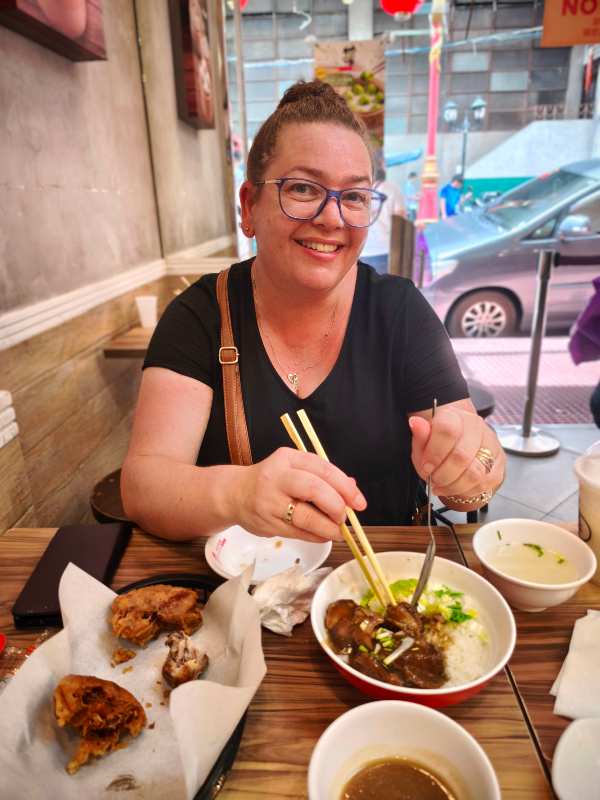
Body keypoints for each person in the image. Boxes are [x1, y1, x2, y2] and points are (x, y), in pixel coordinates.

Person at [121, 81, 505, 543]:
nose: (333, 218)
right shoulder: (201, 315)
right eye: (302, 188)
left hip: (387, 588)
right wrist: (237, 493)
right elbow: (144, 487)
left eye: (355, 196)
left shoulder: (398, 310)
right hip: (246, 592)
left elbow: (466, 487)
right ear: (249, 205)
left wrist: (471, 471)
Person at [360, 161, 404, 275]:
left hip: (362, 249)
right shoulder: (392, 189)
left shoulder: (359, 189)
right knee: (381, 289)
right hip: (384, 247)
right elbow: (400, 219)